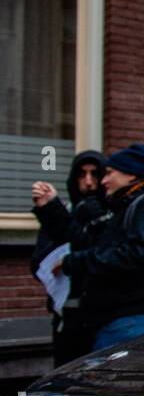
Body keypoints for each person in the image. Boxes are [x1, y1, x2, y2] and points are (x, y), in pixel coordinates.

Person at [57, 143, 144, 351]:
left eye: (109, 173)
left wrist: (77, 261)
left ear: (131, 175)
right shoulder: (130, 206)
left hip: (136, 322)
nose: (103, 180)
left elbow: (140, 256)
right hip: (122, 321)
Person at [30, 151, 108, 364]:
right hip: (66, 315)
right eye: (82, 175)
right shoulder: (66, 211)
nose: (89, 182)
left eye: (95, 174)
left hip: (101, 316)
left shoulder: (111, 214)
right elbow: (39, 260)